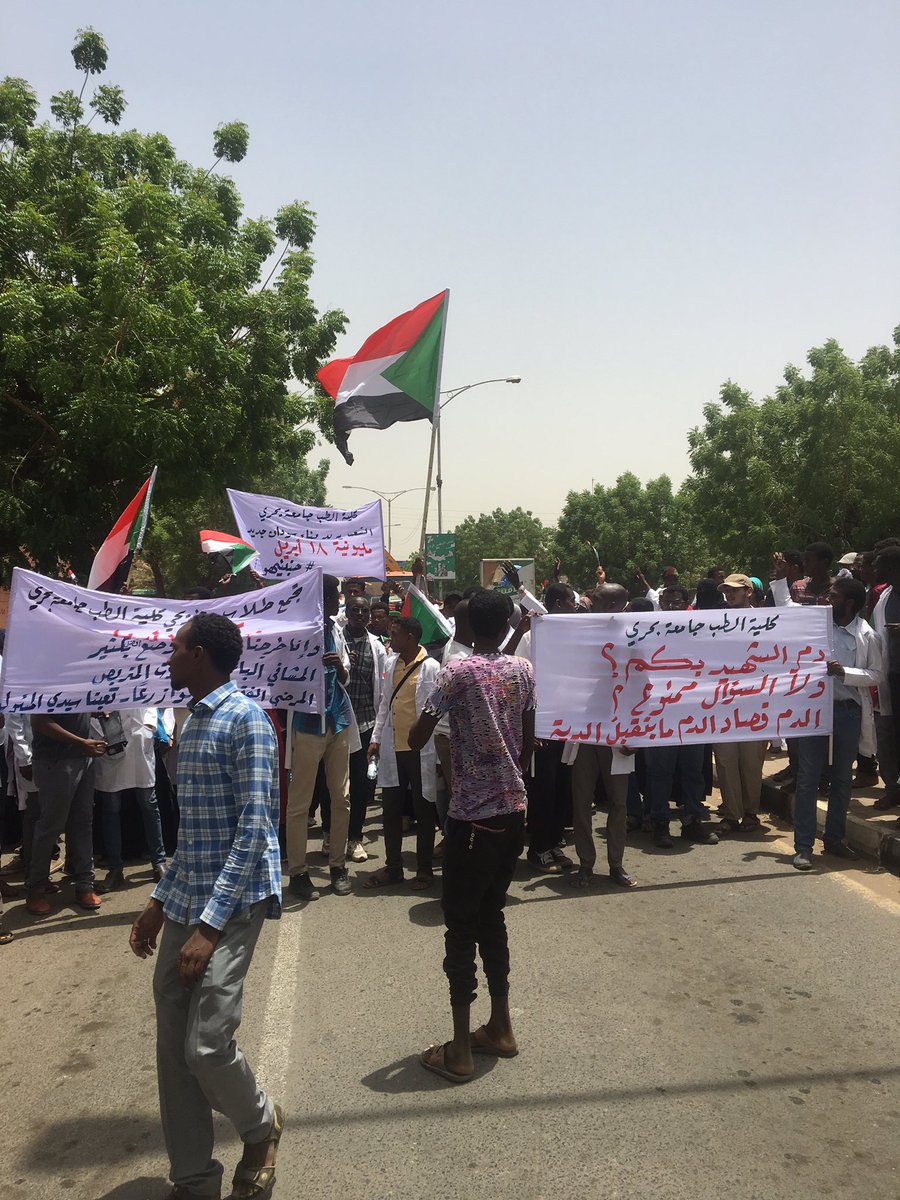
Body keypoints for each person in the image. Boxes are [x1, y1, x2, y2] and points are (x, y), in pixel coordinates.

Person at [130, 611, 284, 1200]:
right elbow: (193, 838)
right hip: (189, 896)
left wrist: (210, 928)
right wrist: (157, 903)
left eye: (177, 648)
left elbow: (253, 829)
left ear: (199, 656)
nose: (168, 658)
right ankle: (194, 1180)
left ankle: (260, 1124)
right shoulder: (191, 724)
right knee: (174, 1051)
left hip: (235, 901)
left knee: (206, 1045)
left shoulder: (248, 721)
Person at [407, 587, 535, 1084]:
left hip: (471, 815)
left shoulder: (456, 672)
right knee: (492, 917)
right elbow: (525, 739)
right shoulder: (522, 671)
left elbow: (421, 735)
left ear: (465, 626)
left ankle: (460, 1049)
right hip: (512, 808)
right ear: (507, 626)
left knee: (460, 929)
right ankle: (500, 1027)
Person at [772, 569, 883, 867]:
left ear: (849, 603)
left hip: (847, 713)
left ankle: (834, 840)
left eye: (833, 596)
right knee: (808, 778)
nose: (826, 599)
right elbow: (787, 609)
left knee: (842, 779)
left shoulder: (867, 636)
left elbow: (876, 675)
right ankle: (804, 846)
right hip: (813, 711)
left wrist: (844, 673)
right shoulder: (816, 623)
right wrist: (782, 580)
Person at [284, 574, 353, 901]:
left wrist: (338, 666)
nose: (333, 603)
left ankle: (337, 865)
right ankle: (298, 872)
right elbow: (282, 678)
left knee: (340, 798)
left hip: (337, 722)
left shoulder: (335, 630)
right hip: (307, 726)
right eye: (328, 597)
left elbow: (346, 676)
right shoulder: (296, 632)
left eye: (334, 597)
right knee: (300, 802)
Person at [365, 615, 440, 889]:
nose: (390, 638)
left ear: (410, 637)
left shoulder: (431, 667)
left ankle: (424, 870)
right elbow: (386, 702)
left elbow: (438, 710)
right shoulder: (390, 662)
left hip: (421, 750)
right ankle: (393, 867)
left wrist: (441, 753)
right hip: (393, 748)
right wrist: (375, 739)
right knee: (391, 810)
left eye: (395, 634)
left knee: (424, 810)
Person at [569, 584, 636, 888]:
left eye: (594, 600)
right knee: (581, 800)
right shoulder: (577, 633)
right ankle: (586, 863)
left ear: (611, 605)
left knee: (618, 802)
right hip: (583, 731)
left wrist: (634, 732)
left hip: (618, 732)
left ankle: (616, 864)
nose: (586, 603)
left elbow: (640, 686)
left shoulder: (634, 638)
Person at [513, 582, 577, 874]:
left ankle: (552, 843)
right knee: (542, 788)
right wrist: (532, 729)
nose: (575, 607)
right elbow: (524, 683)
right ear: (558, 604)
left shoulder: (572, 635)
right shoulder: (531, 637)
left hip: (566, 725)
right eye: (571, 602)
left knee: (560, 787)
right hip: (542, 726)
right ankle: (538, 848)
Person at [25, 712, 107, 916]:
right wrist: (80, 741)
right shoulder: (47, 681)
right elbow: (39, 720)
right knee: (51, 826)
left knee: (82, 822)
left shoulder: (78, 682)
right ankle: (35, 889)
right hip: (55, 761)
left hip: (83, 757)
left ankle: (85, 886)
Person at [713, 574, 767, 834]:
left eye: (734, 590)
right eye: (726, 591)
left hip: (755, 703)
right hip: (722, 702)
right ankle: (732, 815)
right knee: (725, 759)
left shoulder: (768, 621)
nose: (729, 594)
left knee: (751, 761)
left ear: (749, 592)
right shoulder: (714, 623)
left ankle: (750, 813)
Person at [94, 708, 168, 892]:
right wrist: (99, 731)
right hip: (111, 738)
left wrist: (150, 726)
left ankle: (158, 863)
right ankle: (115, 869)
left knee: (149, 806)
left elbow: (149, 693)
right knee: (111, 809)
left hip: (139, 742)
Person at [340, 594, 387, 862]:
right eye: (355, 610)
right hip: (337, 724)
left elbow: (379, 691)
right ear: (347, 612)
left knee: (360, 784)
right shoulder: (335, 639)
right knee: (333, 784)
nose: (360, 614)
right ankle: (329, 834)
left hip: (365, 723)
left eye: (364, 611)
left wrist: (378, 734)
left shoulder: (377, 647)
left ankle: (354, 838)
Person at [434, 598, 474, 831]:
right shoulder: (458, 658)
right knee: (458, 794)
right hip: (452, 735)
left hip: (449, 733)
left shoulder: (457, 644)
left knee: (452, 790)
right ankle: (454, 843)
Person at [872, 547, 900, 813]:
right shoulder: (886, 597)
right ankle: (893, 790)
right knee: (888, 739)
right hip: (890, 677)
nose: (874, 569)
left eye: (879, 565)